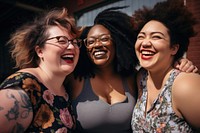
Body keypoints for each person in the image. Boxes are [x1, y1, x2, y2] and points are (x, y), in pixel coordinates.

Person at [66, 7, 198, 133]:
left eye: (104, 39)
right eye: (90, 41)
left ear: (118, 41)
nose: (97, 45)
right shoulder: (74, 78)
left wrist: (178, 61)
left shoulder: (134, 77)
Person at [0, 7, 82, 132]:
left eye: (74, 42)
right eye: (61, 40)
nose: (71, 46)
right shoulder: (23, 88)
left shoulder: (65, 88)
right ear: (40, 51)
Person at [131, 0, 200, 132]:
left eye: (156, 37)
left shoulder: (185, 84)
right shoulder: (141, 78)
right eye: (141, 37)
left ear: (173, 48)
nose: (145, 43)